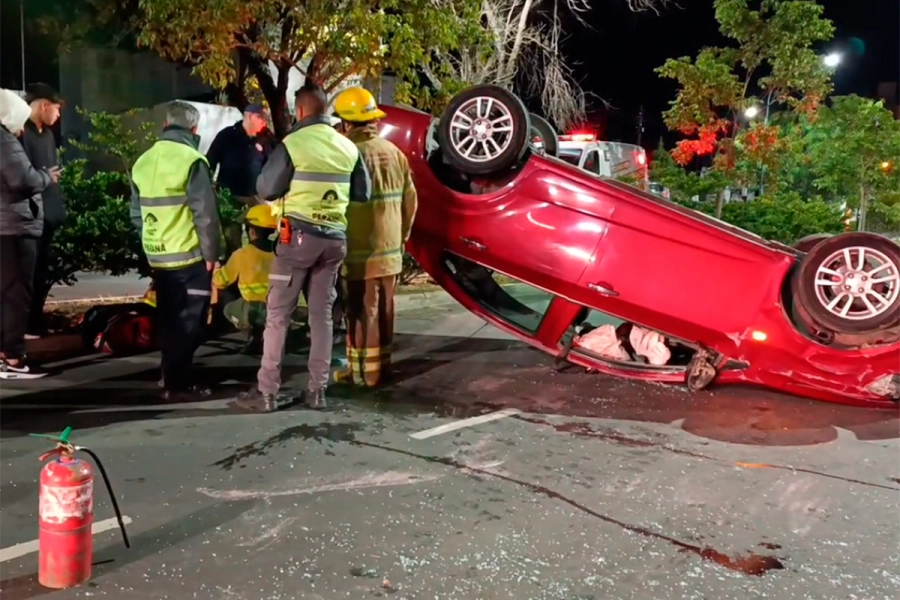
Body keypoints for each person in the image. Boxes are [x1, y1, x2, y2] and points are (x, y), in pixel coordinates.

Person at [236, 83, 370, 413]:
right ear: (326, 110)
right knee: (322, 318)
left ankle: (266, 392)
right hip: (334, 241)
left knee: (278, 316)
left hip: (297, 239)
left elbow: (266, 189)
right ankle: (317, 391)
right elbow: (363, 193)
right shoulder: (348, 147)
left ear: (299, 111)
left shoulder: (293, 144)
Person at [130, 101, 221, 400]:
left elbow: (136, 213)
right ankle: (177, 384)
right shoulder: (192, 160)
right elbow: (204, 214)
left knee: (169, 319)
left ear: (166, 125)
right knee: (190, 322)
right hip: (189, 256)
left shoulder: (143, 161)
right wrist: (211, 254)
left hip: (159, 255)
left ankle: (169, 374)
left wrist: (151, 243)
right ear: (194, 129)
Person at [331, 87, 418, 387]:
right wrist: (401, 237)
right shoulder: (395, 153)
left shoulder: (346, 153)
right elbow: (411, 201)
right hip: (390, 249)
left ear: (345, 123)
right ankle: (382, 368)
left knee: (360, 312)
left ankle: (364, 374)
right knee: (385, 311)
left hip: (359, 250)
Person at [0, 89, 60, 379]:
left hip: (6, 226)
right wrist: (47, 177)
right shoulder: (5, 142)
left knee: (6, 292)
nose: (21, 128)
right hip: (14, 226)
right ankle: (12, 358)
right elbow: (23, 180)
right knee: (16, 294)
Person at [20, 83, 65, 339]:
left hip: (48, 216)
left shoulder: (46, 135)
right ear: (44, 105)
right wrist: (45, 177)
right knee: (25, 274)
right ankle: (22, 326)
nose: (58, 117)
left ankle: (35, 321)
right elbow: (20, 176)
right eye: (56, 110)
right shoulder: (19, 133)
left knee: (41, 272)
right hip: (27, 216)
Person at [212, 204, 278, 351]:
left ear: (251, 231)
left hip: (254, 311)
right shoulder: (280, 253)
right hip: (278, 309)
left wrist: (216, 269)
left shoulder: (242, 255)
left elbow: (220, 282)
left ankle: (250, 330)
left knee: (226, 302)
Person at [206, 104, 275, 206]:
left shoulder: (267, 140)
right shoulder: (227, 135)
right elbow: (210, 162)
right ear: (250, 116)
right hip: (227, 196)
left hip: (255, 197)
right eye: (260, 118)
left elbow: (272, 167)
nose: (264, 122)